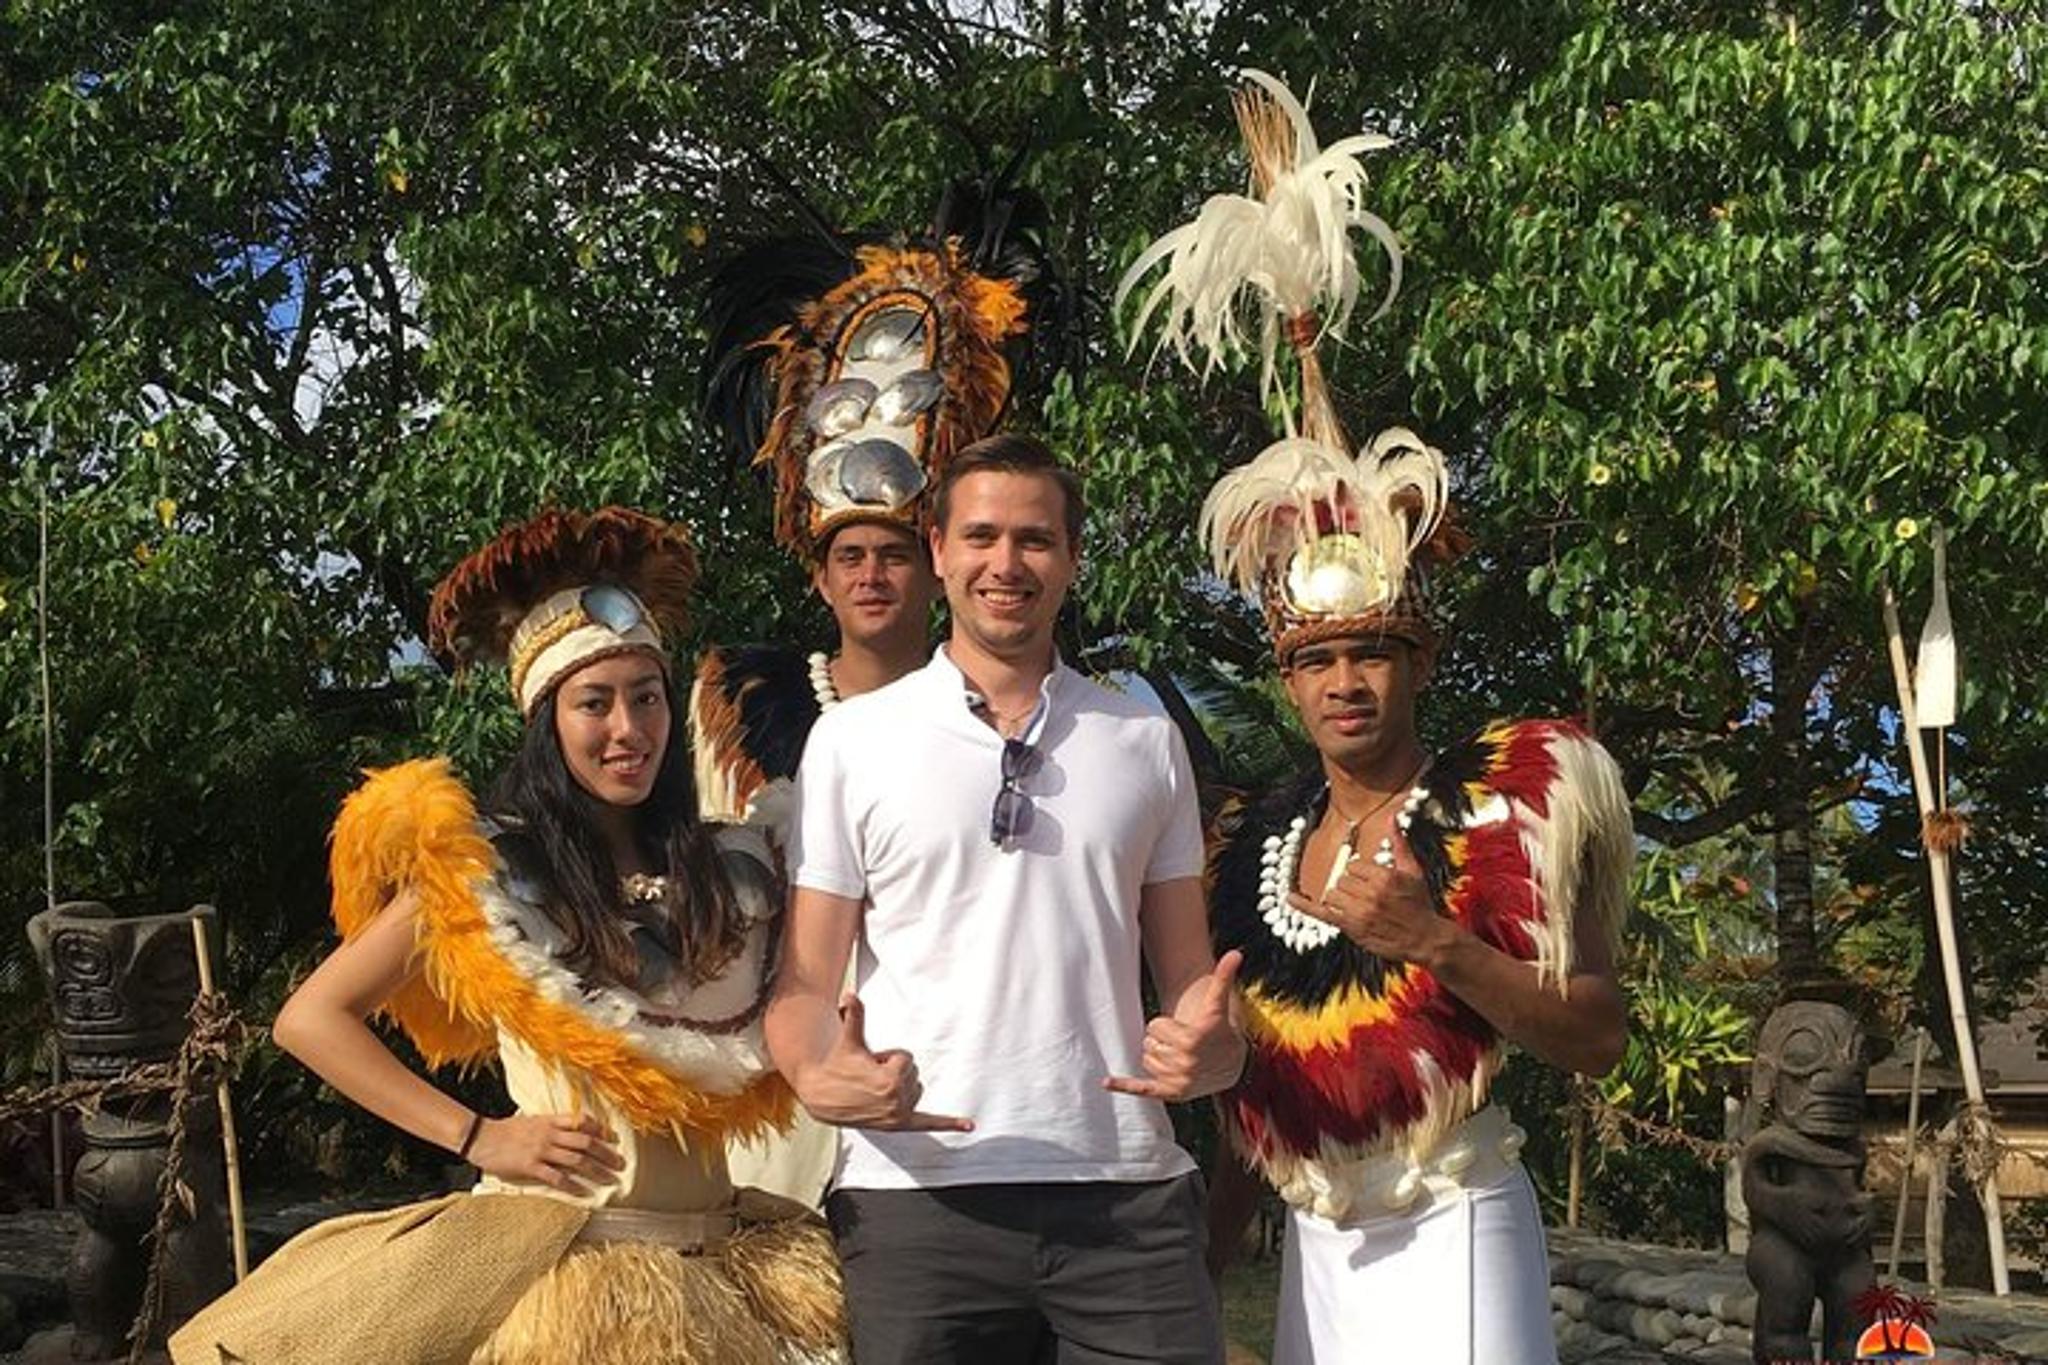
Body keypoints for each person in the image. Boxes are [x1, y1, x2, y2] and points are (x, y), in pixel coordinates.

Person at [1116, 70, 1631, 1365]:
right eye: (1319, 660)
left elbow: (1594, 1036)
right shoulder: (1252, 846)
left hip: (1457, 1220)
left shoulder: (1510, 800)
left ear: (1420, 659)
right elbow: (1251, 1100)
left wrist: (1435, 941)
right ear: (1287, 680)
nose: (1345, 681)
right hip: (1315, 1243)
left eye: (1371, 654)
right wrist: (1210, 1257)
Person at [170, 507, 843, 1365]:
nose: (628, 729)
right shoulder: (492, 872)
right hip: (570, 1287)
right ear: (547, 719)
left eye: (646, 697)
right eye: (594, 703)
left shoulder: (731, 867)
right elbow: (310, 1019)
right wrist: (478, 1135)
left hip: (724, 1270)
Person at [764, 434, 1246, 1364]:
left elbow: (1190, 975)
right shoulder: (853, 741)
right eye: (981, 535)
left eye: (1035, 538)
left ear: (1072, 556)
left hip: (1126, 1192)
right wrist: (816, 1074)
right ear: (939, 549)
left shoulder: (1143, 740)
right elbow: (805, 984)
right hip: (917, 1198)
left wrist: (1218, 1048)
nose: (1006, 563)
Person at [691, 176, 1058, 1207]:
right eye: (847, 555)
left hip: (948, 1084)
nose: (870, 576)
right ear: (817, 575)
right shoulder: (738, 701)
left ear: (934, 562)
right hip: (770, 1085)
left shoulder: (1003, 718)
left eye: (892, 553)